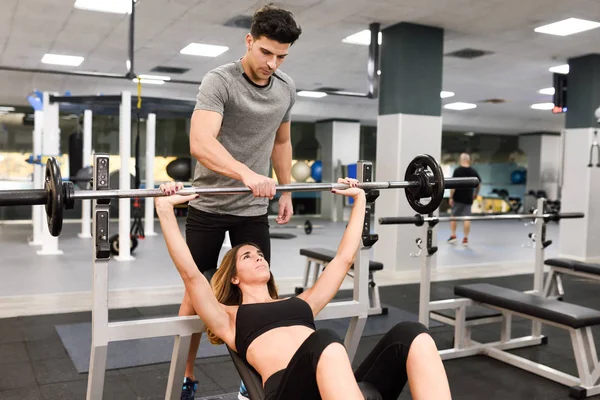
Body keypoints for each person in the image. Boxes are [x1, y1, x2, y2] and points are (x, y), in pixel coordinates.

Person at [156, 180, 452, 400]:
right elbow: (192, 275)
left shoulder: (302, 303)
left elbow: (342, 260)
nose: (259, 257)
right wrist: (164, 209)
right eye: (248, 256)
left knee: (412, 334)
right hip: (291, 391)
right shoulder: (229, 317)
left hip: (336, 382)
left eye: (259, 254)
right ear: (233, 278)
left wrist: (360, 200)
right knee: (325, 341)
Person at [183, 5, 302, 399]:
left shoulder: (286, 88)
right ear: (249, 41)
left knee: (260, 296)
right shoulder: (219, 81)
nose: (272, 62)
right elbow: (201, 143)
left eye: (281, 56)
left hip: (253, 209)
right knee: (195, 291)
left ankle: (251, 379)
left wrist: (284, 188)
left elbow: (282, 142)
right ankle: (186, 373)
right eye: (266, 52)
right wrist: (247, 174)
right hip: (210, 204)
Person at [448, 153, 481, 246]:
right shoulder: (473, 171)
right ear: (468, 160)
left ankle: (453, 236)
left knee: (453, 216)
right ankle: (465, 239)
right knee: (467, 218)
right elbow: (479, 184)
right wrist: (475, 194)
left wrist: (451, 197)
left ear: (461, 160)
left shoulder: (457, 171)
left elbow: (453, 185)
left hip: (458, 198)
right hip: (468, 198)